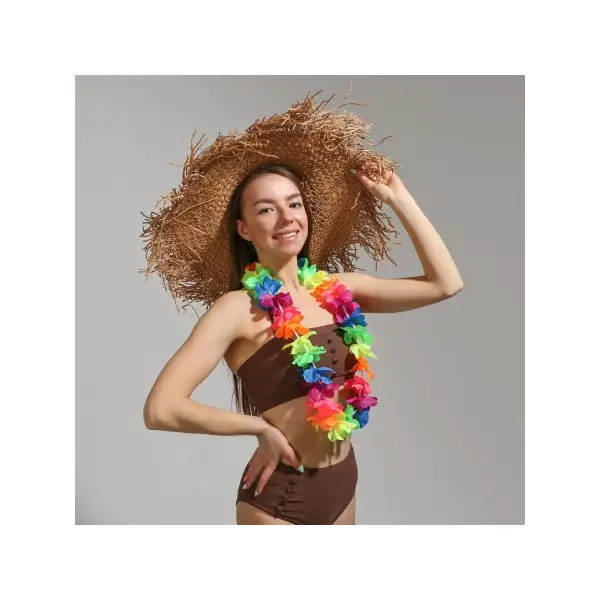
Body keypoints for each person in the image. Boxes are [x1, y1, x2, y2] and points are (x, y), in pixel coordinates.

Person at [140, 91, 464, 525]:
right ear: (244, 228)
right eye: (266, 210)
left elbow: (445, 283)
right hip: (280, 499)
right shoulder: (237, 309)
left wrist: (399, 199)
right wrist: (259, 428)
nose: (286, 217)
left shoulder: (339, 289)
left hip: (342, 484)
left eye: (294, 204)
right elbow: (160, 408)